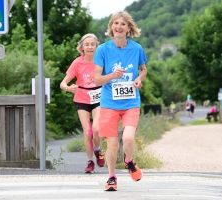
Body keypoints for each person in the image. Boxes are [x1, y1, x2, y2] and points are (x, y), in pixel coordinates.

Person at [93, 10, 148, 191]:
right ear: (111, 27)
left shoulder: (136, 48)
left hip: (131, 102)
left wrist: (139, 79)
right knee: (113, 145)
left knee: (129, 138)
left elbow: (144, 69)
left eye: (123, 24)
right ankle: (111, 177)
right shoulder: (102, 50)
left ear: (128, 28)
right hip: (109, 103)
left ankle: (129, 161)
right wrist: (112, 75)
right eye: (116, 23)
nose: (119, 26)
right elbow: (97, 79)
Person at [60, 33, 105, 174]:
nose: (90, 47)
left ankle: (97, 150)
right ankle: (90, 161)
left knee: (97, 129)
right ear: (82, 48)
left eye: (92, 44)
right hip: (81, 97)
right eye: (87, 44)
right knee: (88, 132)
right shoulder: (77, 63)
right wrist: (68, 88)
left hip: (98, 96)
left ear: (96, 47)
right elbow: (63, 83)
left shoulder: (101, 60)